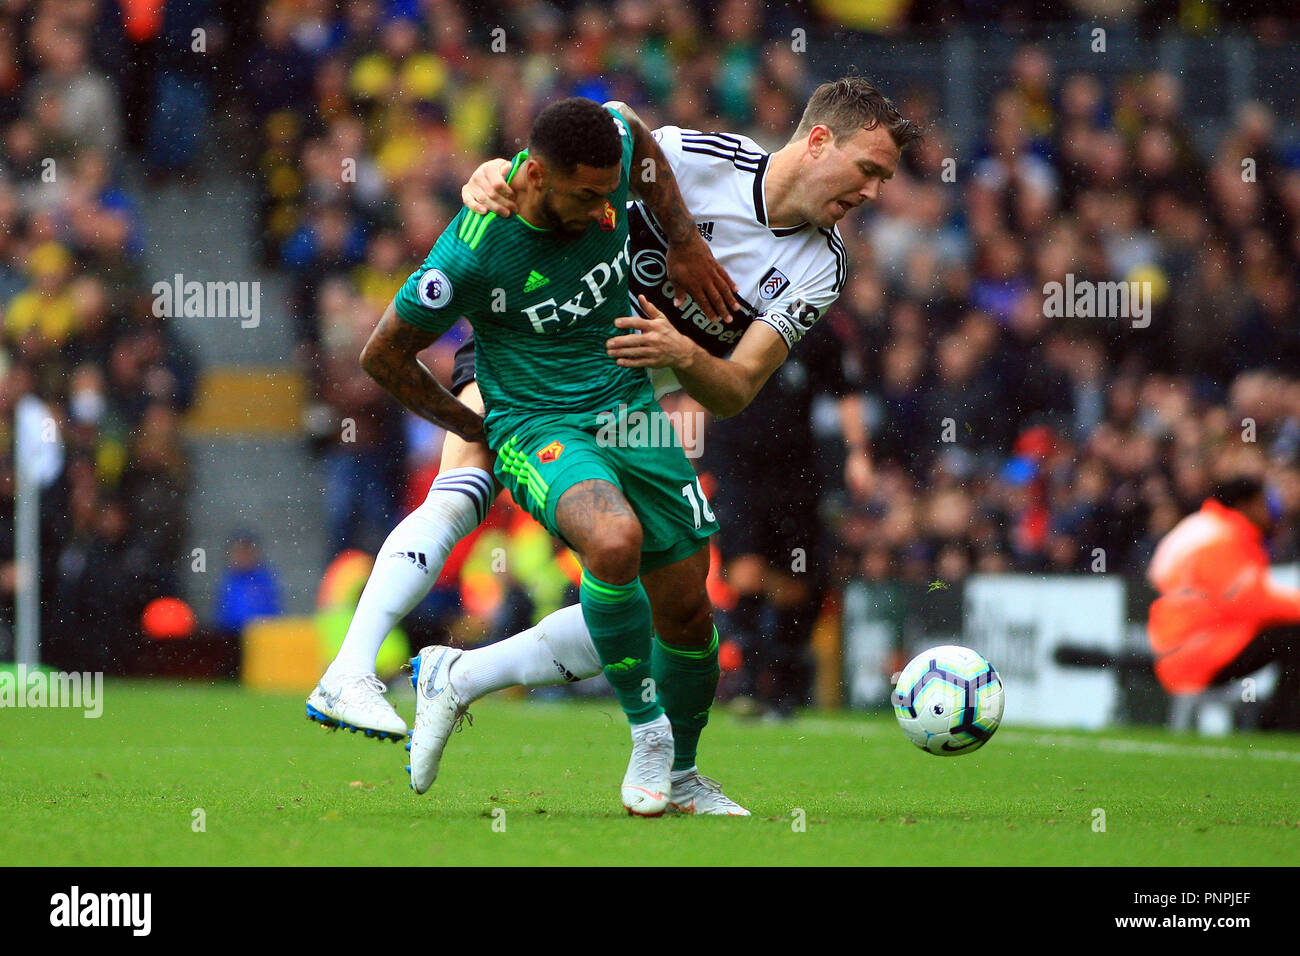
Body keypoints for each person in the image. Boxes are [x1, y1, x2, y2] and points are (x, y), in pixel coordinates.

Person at [311, 78, 919, 811]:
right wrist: (496, 174)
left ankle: (460, 677)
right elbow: (590, 138)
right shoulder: (699, 159)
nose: (875, 193)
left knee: (676, 607)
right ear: (820, 141)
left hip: (627, 400)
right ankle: (352, 667)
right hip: (534, 350)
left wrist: (680, 350)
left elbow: (731, 390)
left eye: (886, 180)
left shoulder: (822, 264)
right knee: (467, 489)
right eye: (869, 170)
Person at [314, 97, 735, 816]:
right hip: (538, 421)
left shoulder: (613, 161)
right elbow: (382, 353)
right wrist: (473, 423)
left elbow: (633, 132)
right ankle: (648, 731)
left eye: (613, 191)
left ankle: (688, 780)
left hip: (627, 407)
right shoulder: (477, 243)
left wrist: (685, 239)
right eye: (589, 195)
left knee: (688, 612)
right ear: (536, 175)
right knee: (613, 541)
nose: (608, 209)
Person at [1147, 475, 1300, 729]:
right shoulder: (1224, 536)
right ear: (1245, 504)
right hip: (1197, 650)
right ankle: (1281, 724)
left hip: (1181, 644)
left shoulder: (1199, 526)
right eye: (1263, 503)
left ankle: (1277, 721)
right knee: (1294, 637)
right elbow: (1252, 603)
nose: (1269, 512)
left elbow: (1156, 575)